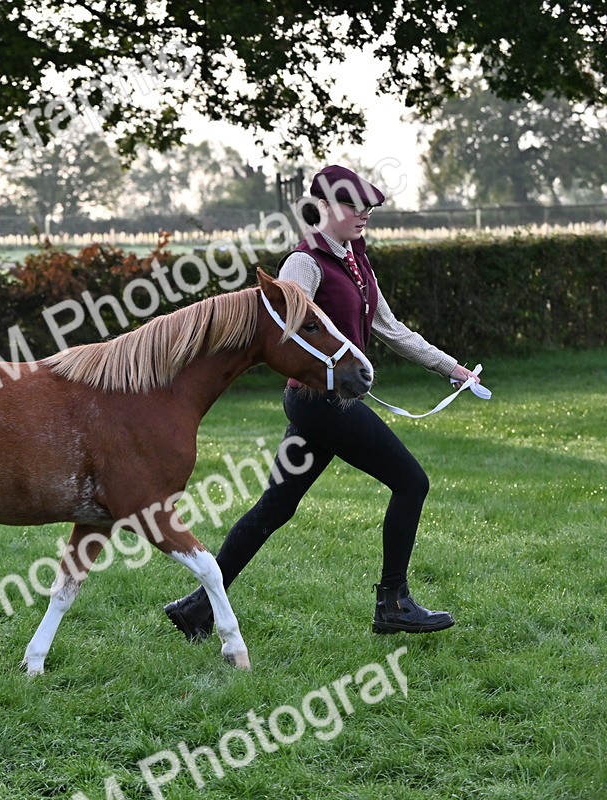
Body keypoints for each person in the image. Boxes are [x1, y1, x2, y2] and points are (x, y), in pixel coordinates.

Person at [164, 165, 481, 639]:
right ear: (325, 208)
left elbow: (391, 329)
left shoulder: (356, 260)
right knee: (411, 482)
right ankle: (393, 603)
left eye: (368, 207)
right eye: (353, 205)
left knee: (275, 508)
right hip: (320, 403)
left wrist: (452, 368)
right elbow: (286, 331)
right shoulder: (304, 263)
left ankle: (196, 609)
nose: (363, 214)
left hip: (324, 405)